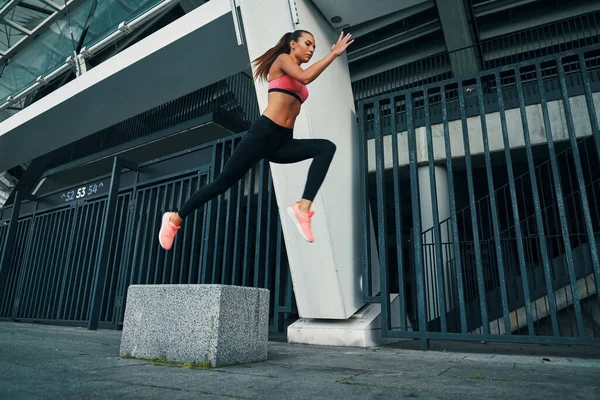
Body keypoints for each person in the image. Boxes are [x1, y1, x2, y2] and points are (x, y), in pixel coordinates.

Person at [158, 29, 354, 250]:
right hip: (263, 134)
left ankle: (303, 209)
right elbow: (306, 77)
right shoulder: (283, 60)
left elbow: (301, 83)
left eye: (314, 47)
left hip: (283, 141)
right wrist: (333, 54)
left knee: (326, 148)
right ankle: (175, 219)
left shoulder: (296, 71)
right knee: (222, 183)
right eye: (307, 44)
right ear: (292, 44)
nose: (311, 49)